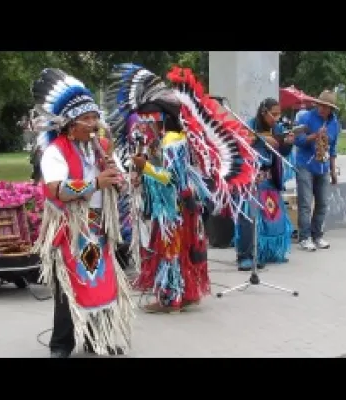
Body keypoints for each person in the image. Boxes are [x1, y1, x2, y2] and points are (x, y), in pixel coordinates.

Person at [105, 64, 258, 313]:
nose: (145, 125)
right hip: (181, 206)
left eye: (149, 120)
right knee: (183, 249)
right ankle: (187, 294)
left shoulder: (172, 141)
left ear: (161, 119)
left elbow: (170, 179)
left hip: (172, 209)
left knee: (170, 252)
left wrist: (145, 168)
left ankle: (170, 299)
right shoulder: (171, 140)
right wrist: (141, 176)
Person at [30, 68, 134, 358]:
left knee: (101, 283)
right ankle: (60, 345)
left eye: (94, 117)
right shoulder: (55, 151)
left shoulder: (100, 147)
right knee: (70, 286)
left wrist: (120, 178)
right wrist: (95, 183)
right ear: (69, 125)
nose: (93, 123)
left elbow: (119, 178)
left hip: (99, 227)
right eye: (87, 119)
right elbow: (55, 189)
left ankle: (95, 339)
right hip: (71, 228)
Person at [235, 98, 295, 271]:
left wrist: (288, 144)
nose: (276, 118)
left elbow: (281, 152)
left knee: (272, 217)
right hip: (251, 179)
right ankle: (245, 256)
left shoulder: (277, 129)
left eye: (279, 114)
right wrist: (262, 140)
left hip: (270, 179)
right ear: (264, 112)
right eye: (273, 114)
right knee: (250, 217)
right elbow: (241, 144)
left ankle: (265, 253)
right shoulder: (249, 126)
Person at [294, 90, 340, 252]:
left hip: (323, 166)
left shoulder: (335, 123)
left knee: (322, 203)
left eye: (326, 107)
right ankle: (304, 237)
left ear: (331, 109)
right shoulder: (305, 118)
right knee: (305, 203)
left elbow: (333, 149)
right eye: (321, 105)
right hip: (305, 165)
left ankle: (317, 235)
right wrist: (313, 136)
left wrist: (333, 172)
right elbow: (296, 140)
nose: (322, 109)